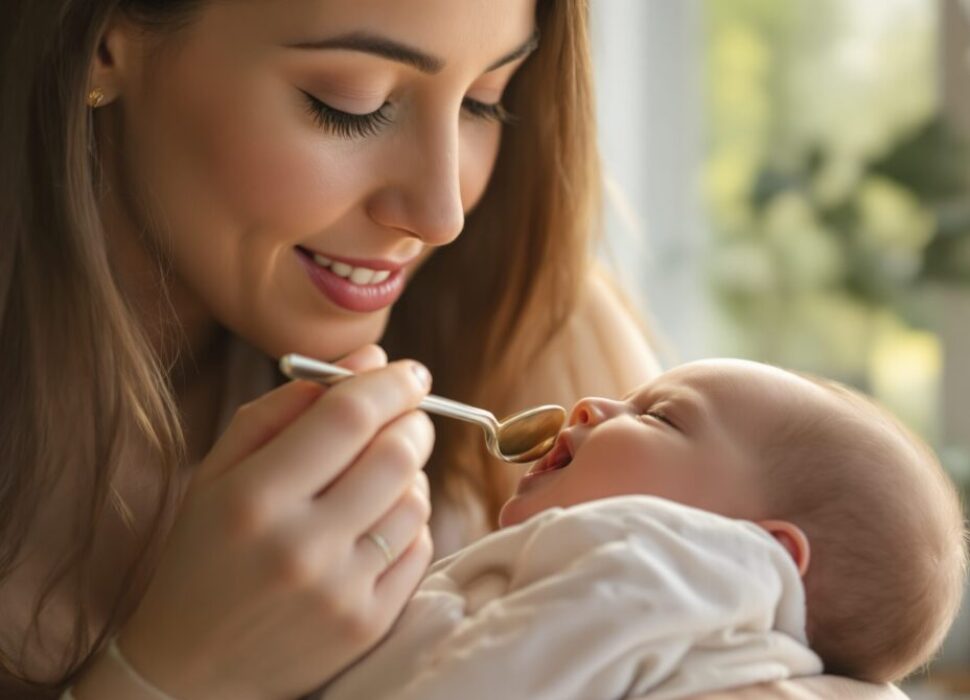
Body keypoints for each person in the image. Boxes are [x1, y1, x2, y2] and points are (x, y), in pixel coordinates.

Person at [0, 1, 909, 699]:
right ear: (105, 41)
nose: (442, 213)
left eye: (486, 102)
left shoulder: (531, 319)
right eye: (348, 104)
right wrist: (164, 677)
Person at [310, 359, 967, 699]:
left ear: (762, 551)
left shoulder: (662, 573)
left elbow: (497, 679)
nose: (593, 403)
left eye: (662, 417)